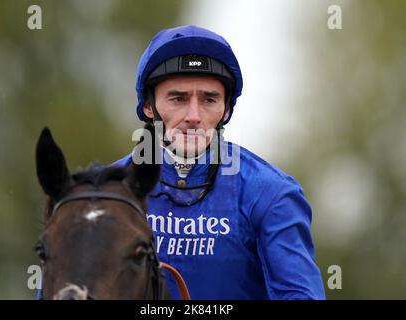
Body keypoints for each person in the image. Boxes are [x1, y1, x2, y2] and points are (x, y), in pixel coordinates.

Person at [111, 24, 326, 300]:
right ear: (149, 106)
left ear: (226, 110)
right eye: (178, 98)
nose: (194, 115)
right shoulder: (103, 194)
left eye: (209, 99)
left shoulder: (271, 193)